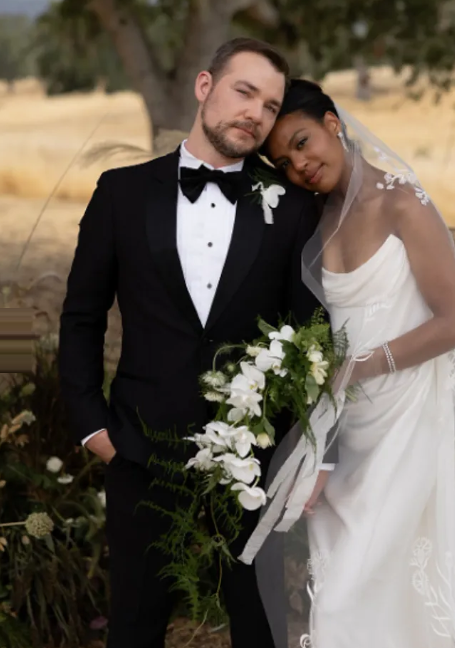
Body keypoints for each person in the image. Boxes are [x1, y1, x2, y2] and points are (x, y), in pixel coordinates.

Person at [58, 41, 337, 648]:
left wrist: (313, 452)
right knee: (133, 627)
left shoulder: (293, 208)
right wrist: (92, 428)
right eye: (245, 92)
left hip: (254, 463)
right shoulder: (120, 192)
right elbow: (81, 316)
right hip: (137, 448)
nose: (256, 115)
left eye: (269, 106)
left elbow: (316, 332)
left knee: (261, 626)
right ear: (205, 85)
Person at [240, 78, 455, 648]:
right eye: (284, 161)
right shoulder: (310, 220)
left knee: (370, 575)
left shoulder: (402, 203)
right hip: (341, 427)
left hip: (403, 416)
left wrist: (364, 366)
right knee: (340, 567)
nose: (299, 165)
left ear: (332, 122)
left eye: (302, 142)